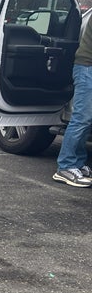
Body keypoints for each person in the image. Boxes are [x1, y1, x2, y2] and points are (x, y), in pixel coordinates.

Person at [54, 13, 92, 187]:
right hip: (87, 69)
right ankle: (66, 166)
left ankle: (78, 163)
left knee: (87, 120)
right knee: (81, 118)